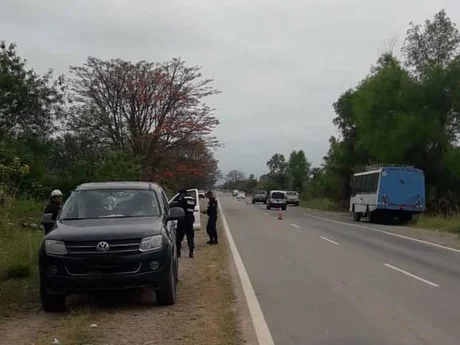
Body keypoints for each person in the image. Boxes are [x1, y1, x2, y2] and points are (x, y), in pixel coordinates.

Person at [171, 189, 196, 258]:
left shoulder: (182, 199)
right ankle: (191, 252)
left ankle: (178, 252)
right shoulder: (192, 199)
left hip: (182, 220)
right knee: (190, 237)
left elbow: (177, 205)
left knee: (178, 237)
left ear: (182, 193)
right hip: (190, 220)